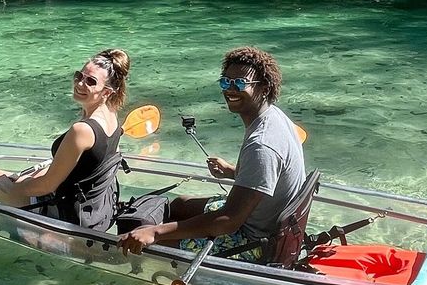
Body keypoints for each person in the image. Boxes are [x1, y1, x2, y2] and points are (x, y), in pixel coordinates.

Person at [118, 46, 305, 260]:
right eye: (226, 81)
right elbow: (270, 176)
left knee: (150, 246)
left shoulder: (262, 144)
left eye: (240, 83)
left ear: (264, 88)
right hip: (258, 220)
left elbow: (228, 220)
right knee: (179, 205)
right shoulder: (274, 117)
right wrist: (233, 172)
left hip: (252, 241)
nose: (230, 89)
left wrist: (155, 233)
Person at [0, 48, 130, 231]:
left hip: (64, 213)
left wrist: (13, 188)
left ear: (107, 92)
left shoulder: (82, 130)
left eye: (90, 81)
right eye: (79, 76)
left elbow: (46, 186)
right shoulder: (111, 116)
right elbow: (84, 168)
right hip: (96, 210)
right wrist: (23, 180)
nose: (80, 84)